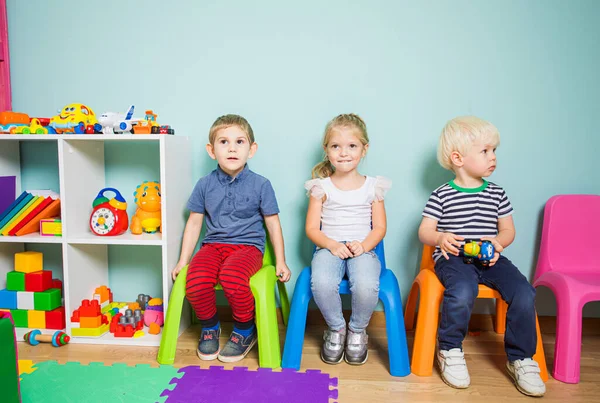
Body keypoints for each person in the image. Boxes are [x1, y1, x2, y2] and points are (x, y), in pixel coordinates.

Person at [418, 116, 545, 396]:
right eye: (485, 151)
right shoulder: (441, 195)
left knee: (524, 291)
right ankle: (449, 349)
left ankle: (521, 359)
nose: (493, 157)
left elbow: (508, 230)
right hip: (454, 260)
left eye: (494, 151)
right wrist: (440, 238)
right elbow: (424, 231)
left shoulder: (497, 194)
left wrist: (498, 243)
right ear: (458, 158)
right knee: (463, 290)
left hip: (491, 259)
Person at [171, 114, 291, 363]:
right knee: (194, 279)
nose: (232, 148)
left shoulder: (261, 184)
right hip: (213, 246)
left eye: (240, 142)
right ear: (211, 150)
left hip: (248, 248)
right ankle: (210, 326)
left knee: (232, 276)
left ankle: (245, 330)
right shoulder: (204, 184)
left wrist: (281, 261)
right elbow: (194, 223)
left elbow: (273, 224)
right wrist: (183, 261)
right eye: (223, 142)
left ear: (252, 149)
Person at [304, 113, 391, 365]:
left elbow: (380, 227)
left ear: (364, 149)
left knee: (365, 285)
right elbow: (312, 228)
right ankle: (336, 328)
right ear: (326, 150)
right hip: (328, 249)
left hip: (363, 249)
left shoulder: (373, 186)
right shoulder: (320, 187)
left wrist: (363, 245)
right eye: (336, 146)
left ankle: (357, 330)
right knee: (320, 282)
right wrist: (332, 245)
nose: (344, 153)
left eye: (352, 146)